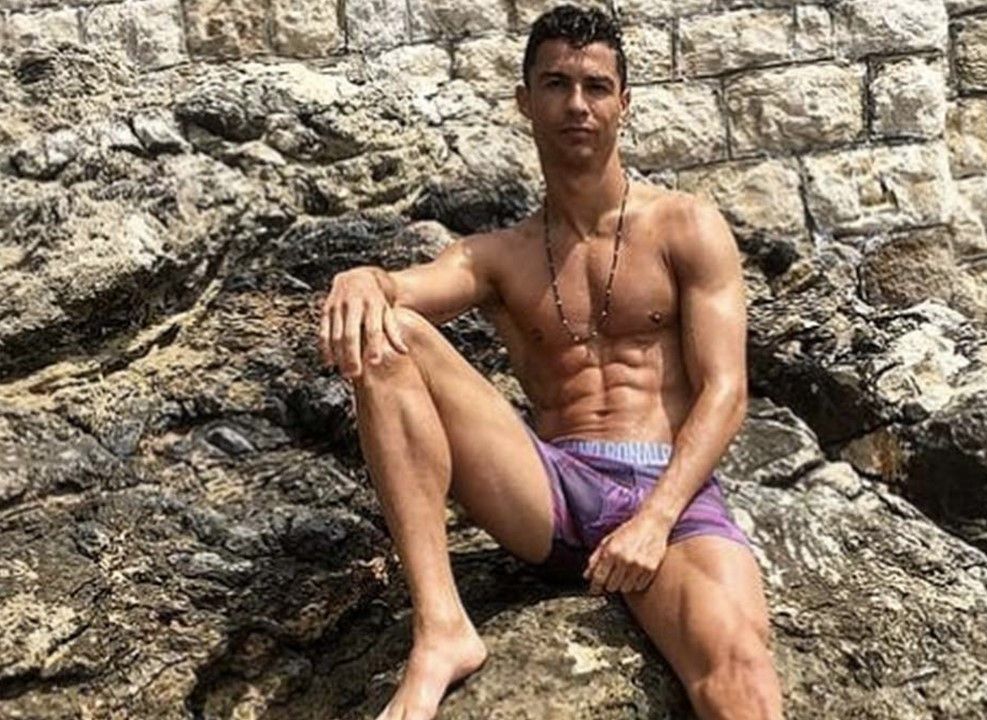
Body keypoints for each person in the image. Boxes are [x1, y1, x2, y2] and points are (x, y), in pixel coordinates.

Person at [317, 5, 783, 719]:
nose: (577, 105)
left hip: (669, 487)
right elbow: (403, 291)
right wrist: (364, 279)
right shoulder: (498, 256)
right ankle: (442, 629)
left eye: (596, 87)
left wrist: (653, 521)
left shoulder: (685, 225)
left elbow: (726, 392)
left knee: (740, 671)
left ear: (624, 102)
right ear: (524, 101)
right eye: (556, 84)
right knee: (390, 333)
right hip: (551, 492)